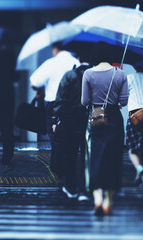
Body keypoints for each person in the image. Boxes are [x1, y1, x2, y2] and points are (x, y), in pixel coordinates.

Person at [81, 42, 128, 216]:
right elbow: (124, 101)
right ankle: (109, 200)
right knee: (113, 157)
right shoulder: (120, 74)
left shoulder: (88, 74)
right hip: (115, 118)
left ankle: (98, 198)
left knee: (96, 157)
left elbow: (85, 102)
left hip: (96, 116)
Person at [30, 41, 80, 187]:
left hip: (53, 105)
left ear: (55, 48)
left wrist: (41, 88)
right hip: (73, 106)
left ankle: (59, 170)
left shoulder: (50, 63)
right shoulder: (76, 62)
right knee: (70, 138)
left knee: (55, 139)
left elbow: (34, 82)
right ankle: (67, 170)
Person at [52, 55, 91, 201]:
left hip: (70, 120)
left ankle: (71, 187)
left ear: (78, 57)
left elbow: (60, 99)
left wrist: (55, 119)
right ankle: (84, 189)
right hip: (89, 119)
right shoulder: (94, 74)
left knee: (70, 154)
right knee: (87, 156)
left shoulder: (70, 75)